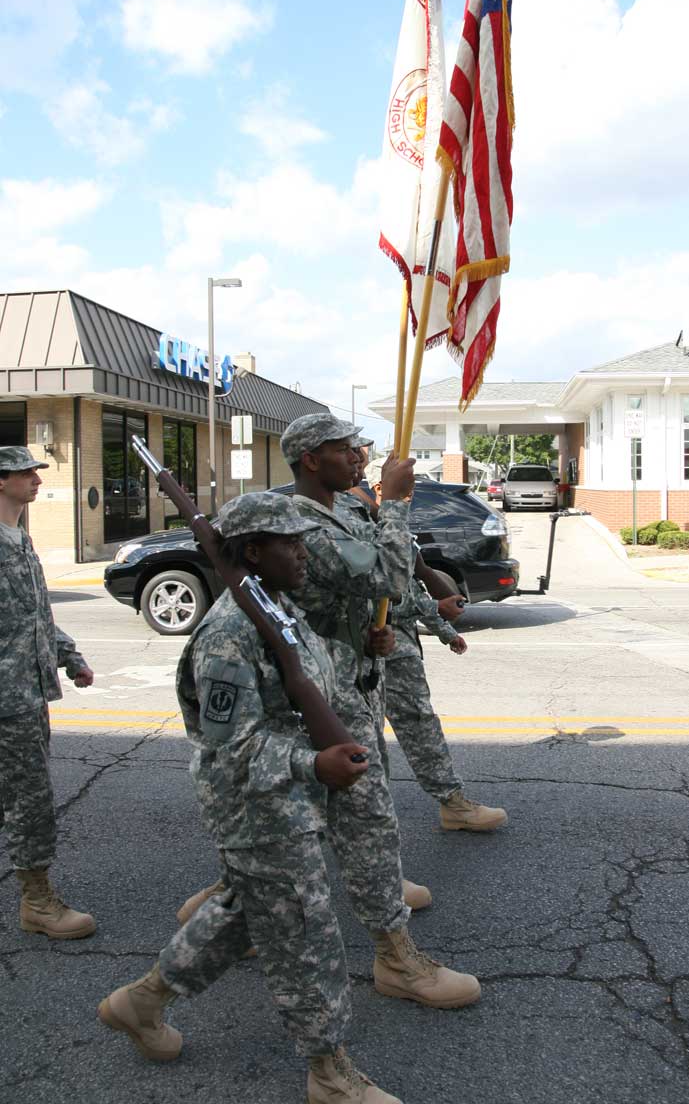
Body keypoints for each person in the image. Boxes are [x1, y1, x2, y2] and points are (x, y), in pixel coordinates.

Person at [98, 492, 403, 1104]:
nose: (303, 551)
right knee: (305, 935)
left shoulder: (276, 605)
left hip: (292, 799)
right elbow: (229, 749)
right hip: (258, 806)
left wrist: (365, 657)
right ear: (254, 551)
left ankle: (142, 1001)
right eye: (290, 543)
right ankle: (330, 1073)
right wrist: (311, 761)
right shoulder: (230, 634)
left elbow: (311, 678)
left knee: (244, 912)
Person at [283, 414, 480, 1009]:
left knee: (312, 819)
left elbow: (376, 592)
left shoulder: (341, 509)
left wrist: (377, 630)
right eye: (345, 449)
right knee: (358, 815)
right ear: (312, 458)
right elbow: (385, 572)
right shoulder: (300, 520)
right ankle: (397, 958)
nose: (359, 456)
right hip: (323, 694)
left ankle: (230, 905)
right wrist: (393, 503)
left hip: (354, 677)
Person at [361, 461, 508, 833]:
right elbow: (382, 596)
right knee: (363, 737)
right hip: (374, 646)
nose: (409, 498)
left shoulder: (395, 527)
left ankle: (452, 803)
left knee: (420, 724)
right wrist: (434, 613)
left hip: (401, 648)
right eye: (403, 490)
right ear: (380, 487)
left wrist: (442, 626)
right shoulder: (363, 525)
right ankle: (354, 824)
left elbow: (413, 587)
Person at [0, 446, 95, 939]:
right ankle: (38, 901)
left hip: (27, 693)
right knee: (29, 799)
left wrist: (69, 655)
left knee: (15, 797)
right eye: (25, 473)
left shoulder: (20, 538)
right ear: (1, 481)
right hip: (6, 699)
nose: (37, 479)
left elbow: (36, 615)